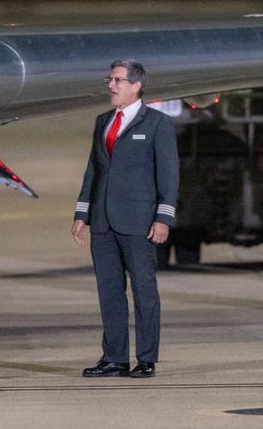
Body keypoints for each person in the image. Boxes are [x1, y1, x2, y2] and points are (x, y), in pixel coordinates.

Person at [71, 59, 179, 379]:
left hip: (139, 222)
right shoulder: (103, 121)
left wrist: (163, 218)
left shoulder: (157, 123)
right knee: (109, 292)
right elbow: (93, 170)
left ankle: (146, 358)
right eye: (110, 80)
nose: (111, 85)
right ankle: (114, 358)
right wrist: (82, 214)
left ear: (136, 85)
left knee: (144, 292)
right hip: (103, 221)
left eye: (118, 80)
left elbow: (169, 175)